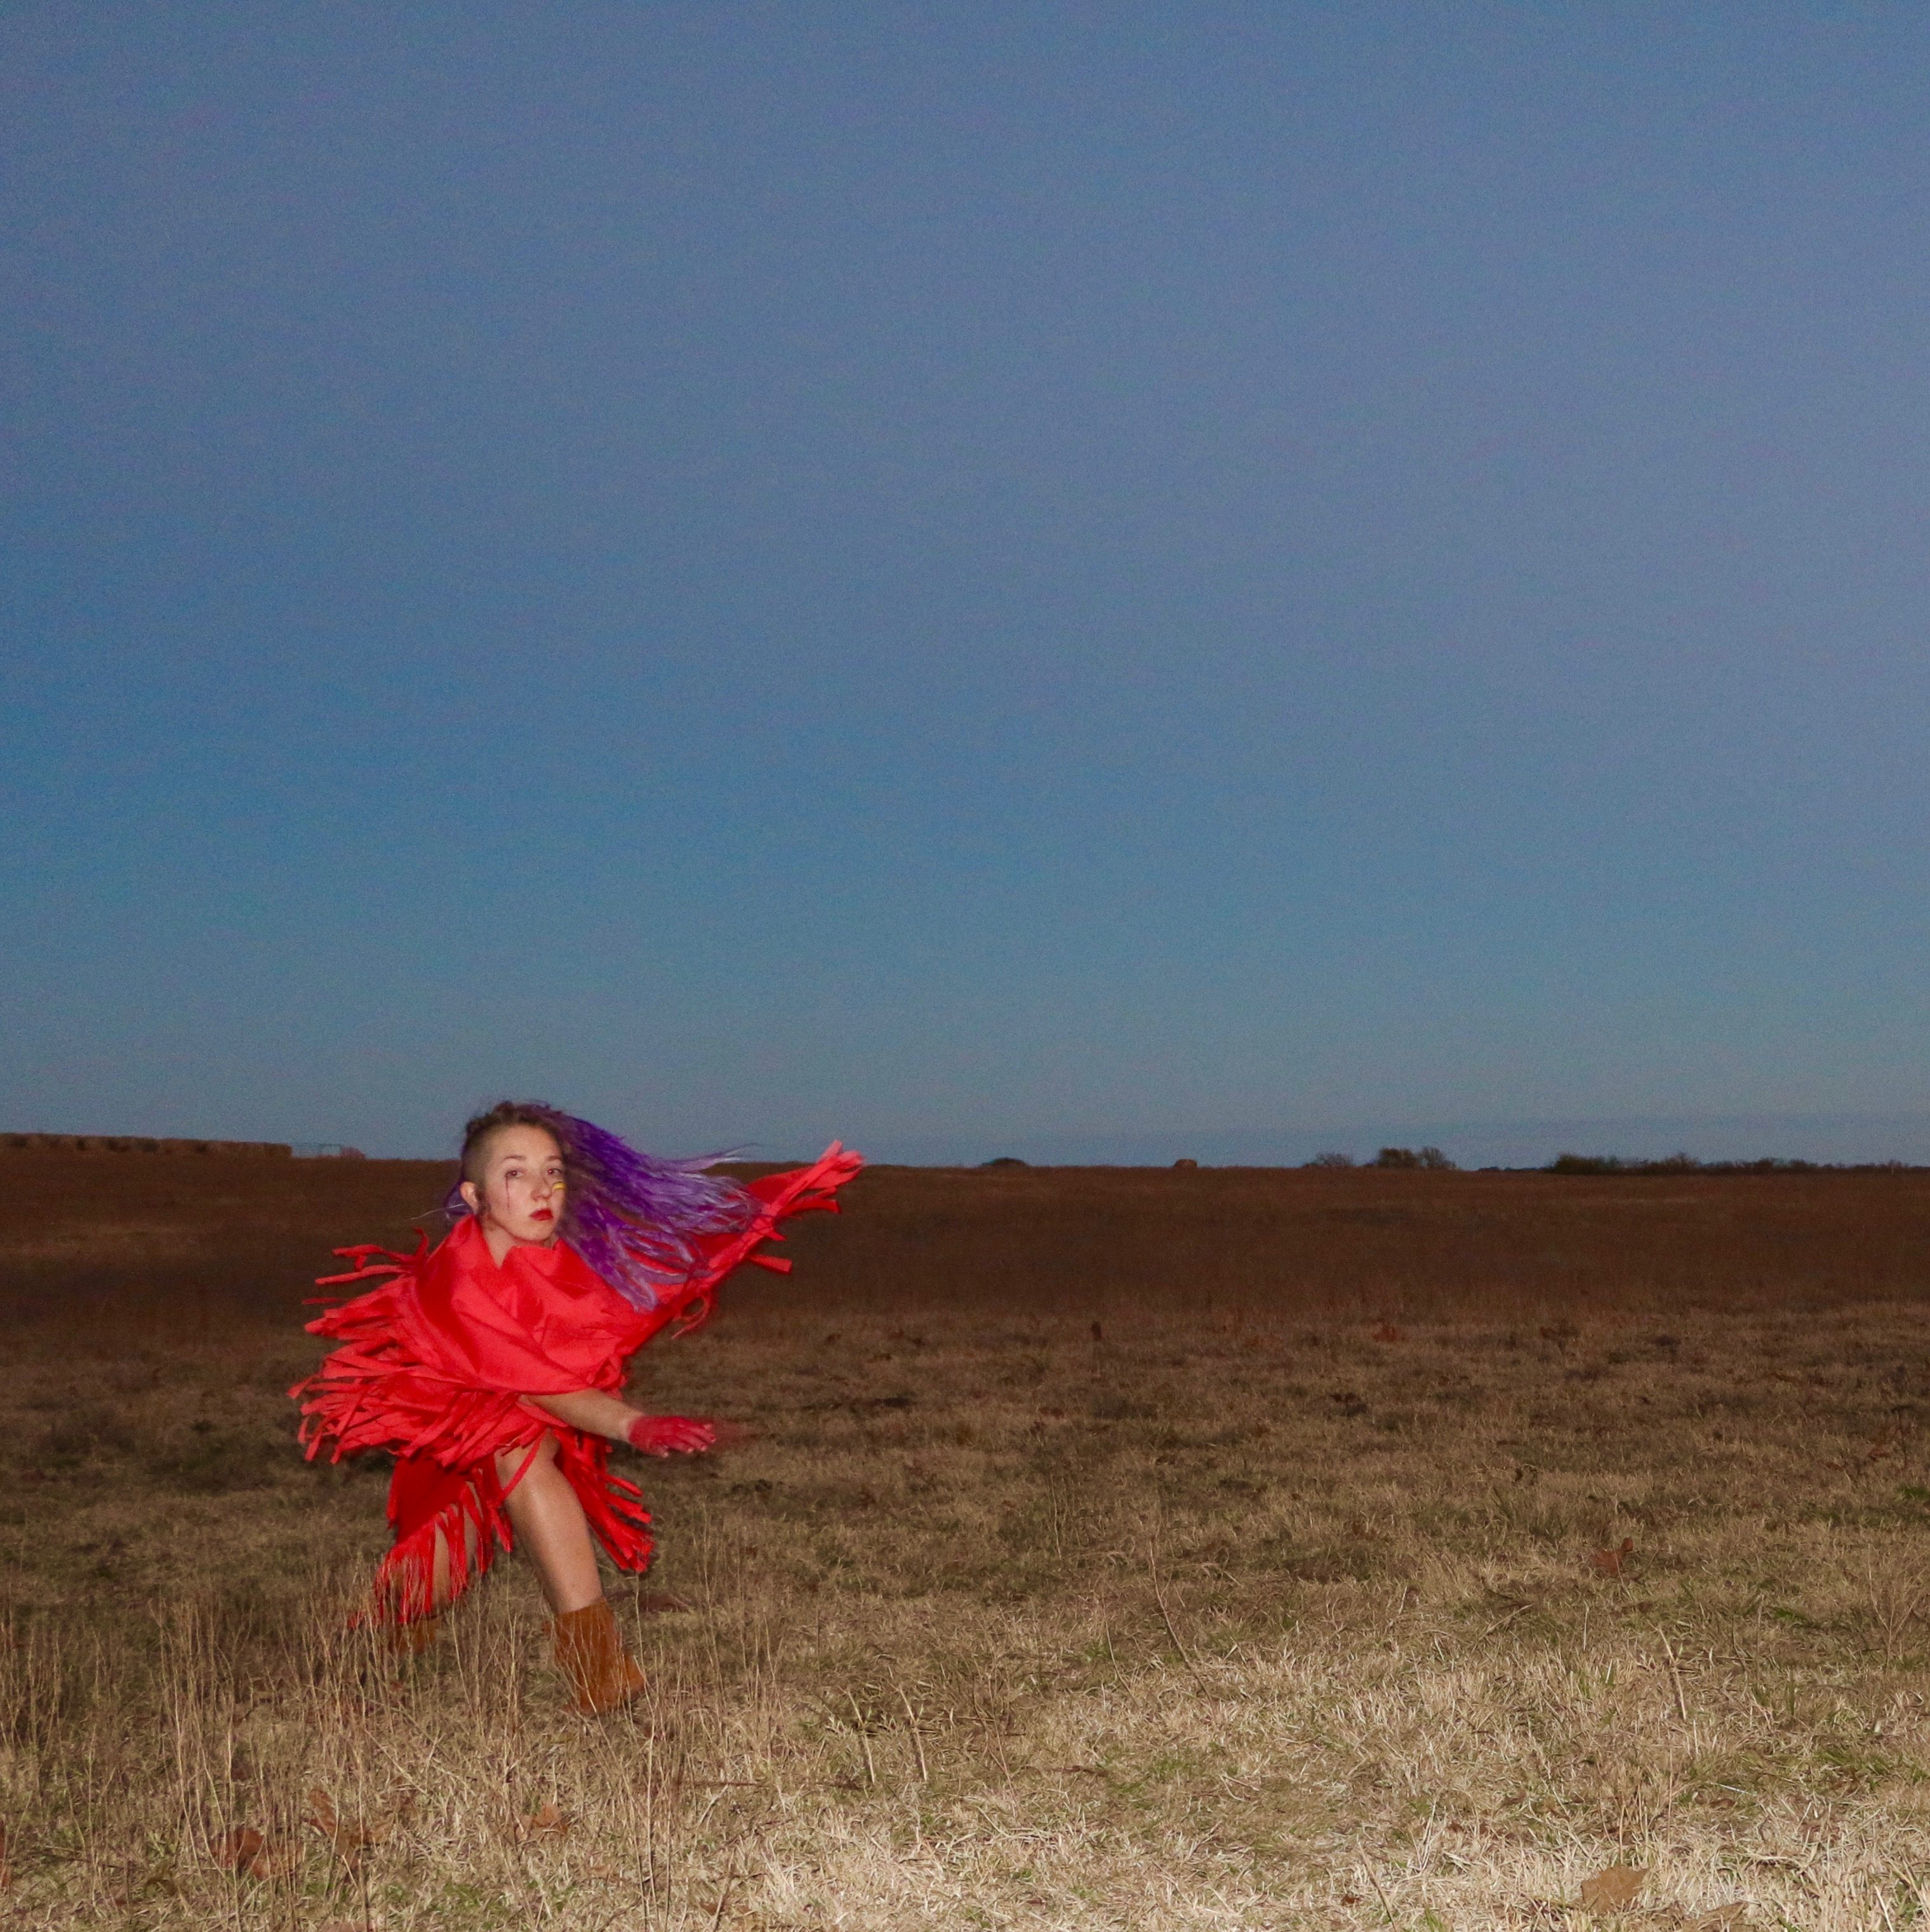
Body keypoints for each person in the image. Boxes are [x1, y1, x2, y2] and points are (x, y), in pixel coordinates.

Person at [291, 1101, 860, 1712]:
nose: (543, 1189)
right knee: (437, 1556)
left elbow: (607, 1323)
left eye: (553, 1171)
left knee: (515, 1453)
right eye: (515, 1173)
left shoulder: (564, 1257)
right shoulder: (458, 1281)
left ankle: (599, 1669)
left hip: (517, 1420)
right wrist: (635, 1424)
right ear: (476, 1196)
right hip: (447, 1425)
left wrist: (753, 1213)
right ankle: (384, 1635)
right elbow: (541, 1387)